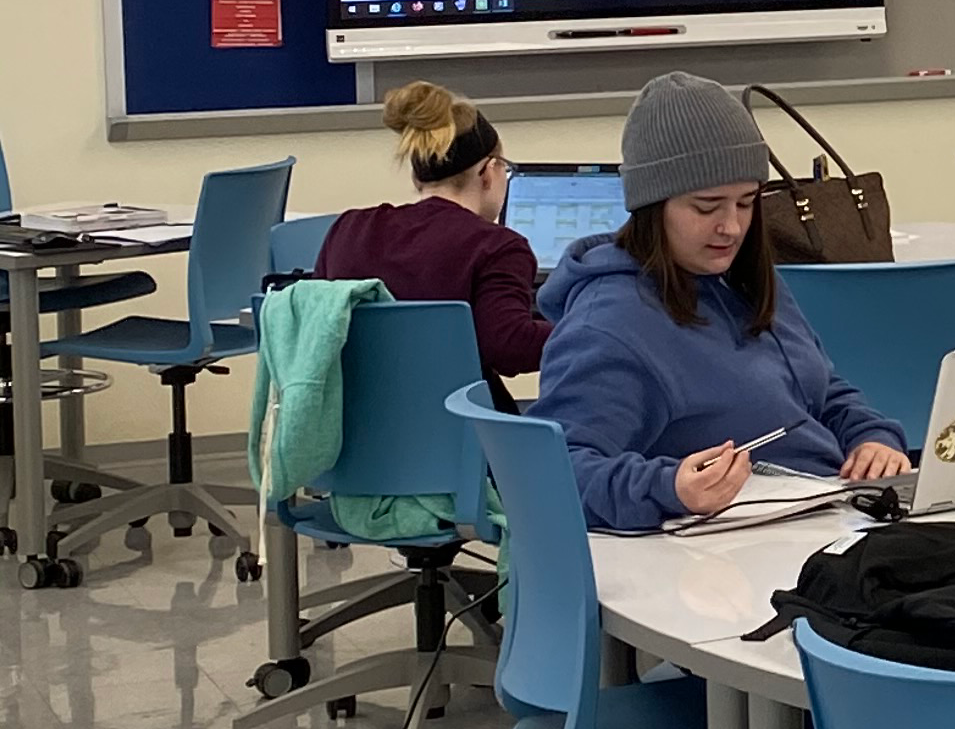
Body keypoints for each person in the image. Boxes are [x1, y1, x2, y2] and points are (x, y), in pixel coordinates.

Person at [532, 72, 911, 533]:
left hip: (834, 515)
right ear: (653, 206)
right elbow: (553, 472)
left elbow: (822, 392)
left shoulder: (745, 281)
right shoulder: (610, 326)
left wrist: (871, 436)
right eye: (707, 207)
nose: (731, 227)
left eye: (747, 203)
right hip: (737, 559)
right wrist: (669, 488)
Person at [315, 81, 551, 388]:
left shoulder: (349, 229)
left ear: (417, 177)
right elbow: (508, 348)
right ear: (488, 173)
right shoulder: (498, 247)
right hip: (463, 428)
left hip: (350, 429)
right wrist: (590, 327)